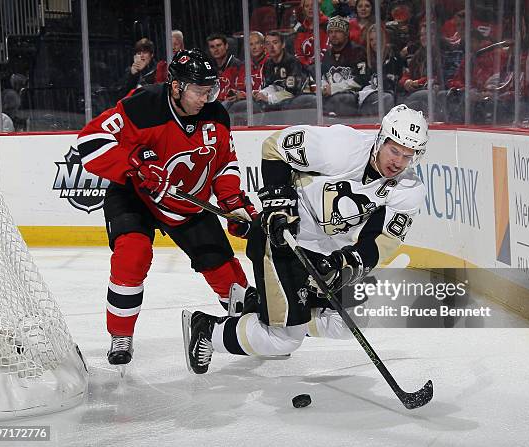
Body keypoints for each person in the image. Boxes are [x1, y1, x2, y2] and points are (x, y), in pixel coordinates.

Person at [184, 104, 428, 374]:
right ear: (381, 139)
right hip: (283, 241)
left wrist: (344, 264)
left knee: (348, 321)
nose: (398, 162)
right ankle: (208, 330)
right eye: (395, 150)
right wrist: (279, 207)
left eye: (408, 155)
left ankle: (261, 309)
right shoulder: (340, 148)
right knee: (284, 340)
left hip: (324, 255)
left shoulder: (409, 189)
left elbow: (381, 240)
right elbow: (274, 147)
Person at [77, 49, 257, 367]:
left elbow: (224, 163)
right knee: (132, 256)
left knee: (223, 269)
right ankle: (121, 335)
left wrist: (233, 202)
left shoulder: (215, 115)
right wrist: (134, 164)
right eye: (200, 91)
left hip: (186, 201)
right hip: (136, 195)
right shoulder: (143, 105)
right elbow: (90, 142)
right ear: (176, 87)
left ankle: (249, 327)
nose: (207, 98)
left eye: (211, 90)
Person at [320, 14, 368, 116]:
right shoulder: (327, 54)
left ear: (346, 34)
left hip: (352, 98)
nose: (333, 35)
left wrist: (334, 88)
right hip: (330, 98)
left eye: (338, 31)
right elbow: (322, 76)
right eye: (331, 32)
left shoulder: (357, 51)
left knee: (343, 99)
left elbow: (361, 80)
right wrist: (324, 87)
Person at [206, 34, 242, 103]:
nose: (216, 49)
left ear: (226, 46)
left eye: (218, 45)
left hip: (232, 102)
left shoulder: (237, 65)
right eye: (212, 47)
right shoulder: (210, 68)